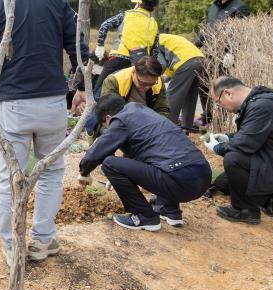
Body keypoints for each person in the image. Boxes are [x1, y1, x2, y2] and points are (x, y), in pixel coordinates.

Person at [0, 0, 88, 266]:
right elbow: (78, 49)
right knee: (51, 173)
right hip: (53, 101)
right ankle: (42, 240)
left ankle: (12, 246)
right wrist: (76, 86)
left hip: (12, 104)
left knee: (10, 177)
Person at [79, 95, 211, 230]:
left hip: (179, 182)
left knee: (109, 163)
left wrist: (84, 171)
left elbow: (98, 150)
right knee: (160, 157)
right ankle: (170, 211)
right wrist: (120, 176)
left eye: (105, 126)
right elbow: (141, 152)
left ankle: (145, 216)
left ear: (107, 118)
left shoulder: (119, 120)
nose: (108, 128)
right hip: (204, 176)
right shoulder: (140, 110)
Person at [205, 76, 273, 224]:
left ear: (228, 93)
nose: (220, 105)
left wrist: (217, 147)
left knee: (233, 159)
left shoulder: (262, 106)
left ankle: (246, 211)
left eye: (218, 101)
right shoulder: (256, 103)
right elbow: (252, 135)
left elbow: (245, 145)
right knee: (223, 183)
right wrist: (228, 138)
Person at [195, 0, 251, 127]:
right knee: (203, 84)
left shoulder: (239, 7)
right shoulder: (213, 7)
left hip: (225, 56)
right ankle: (207, 117)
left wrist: (232, 52)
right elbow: (207, 29)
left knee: (221, 87)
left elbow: (241, 33)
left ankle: (220, 119)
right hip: (209, 54)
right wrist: (195, 45)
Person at [93, 0, 160, 98]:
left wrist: (100, 45)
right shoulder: (153, 23)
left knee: (100, 91)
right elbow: (155, 49)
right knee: (127, 95)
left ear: (139, 4)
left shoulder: (126, 15)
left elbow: (105, 25)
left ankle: (95, 114)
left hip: (118, 58)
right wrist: (150, 67)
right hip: (139, 64)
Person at [86, 56, 170, 138]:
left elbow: (162, 109)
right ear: (134, 73)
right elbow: (108, 113)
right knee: (111, 134)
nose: (147, 87)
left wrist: (155, 126)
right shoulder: (114, 81)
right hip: (117, 121)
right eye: (142, 83)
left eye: (151, 84)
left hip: (145, 124)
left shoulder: (158, 81)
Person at [156, 33, 205, 132]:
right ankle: (186, 126)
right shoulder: (166, 37)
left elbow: (162, 64)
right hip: (200, 59)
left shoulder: (154, 42)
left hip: (185, 62)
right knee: (190, 95)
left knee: (172, 95)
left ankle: (166, 127)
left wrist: (155, 79)